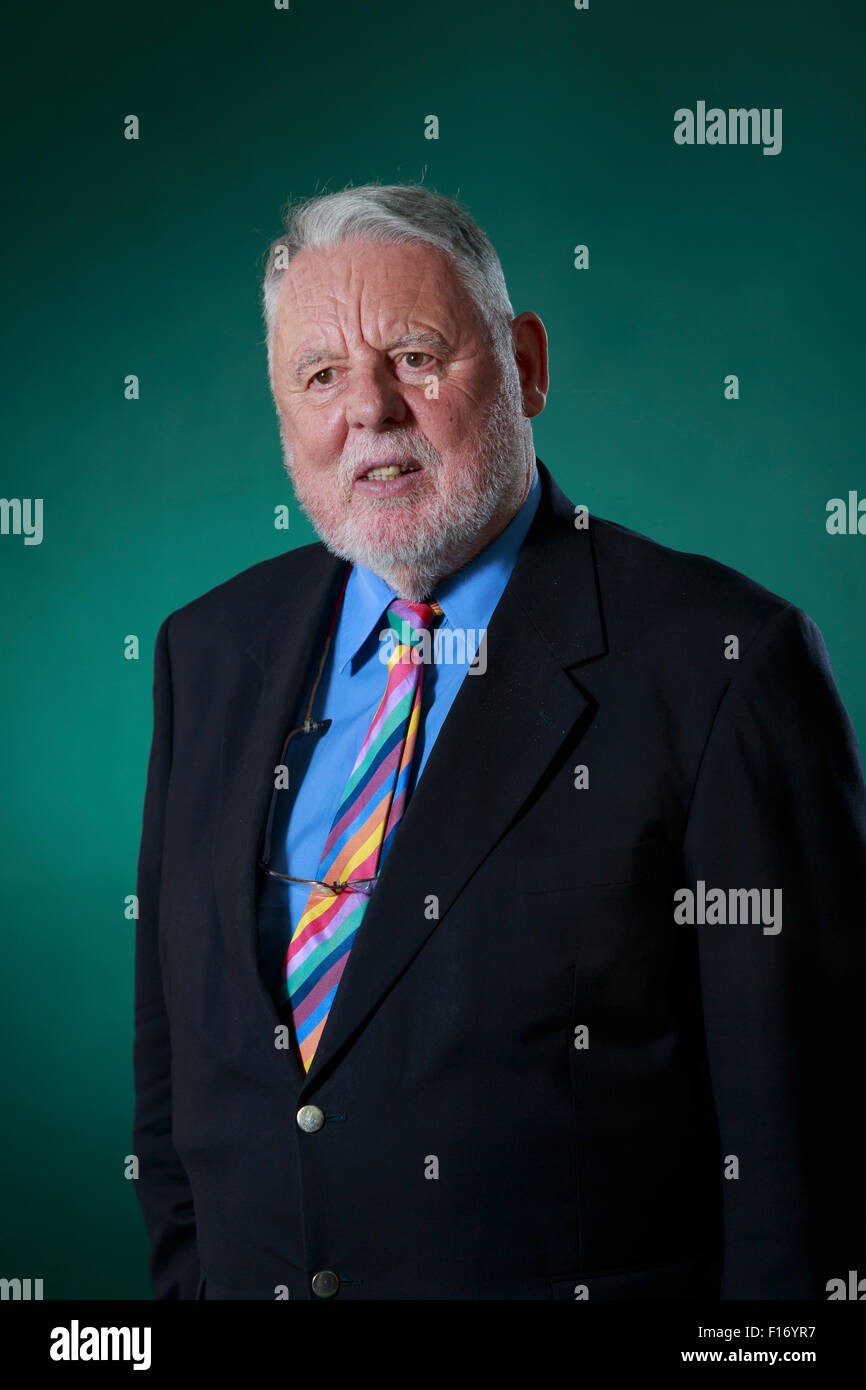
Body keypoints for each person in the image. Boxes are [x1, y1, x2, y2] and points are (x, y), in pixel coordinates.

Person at [132, 182, 866, 1301]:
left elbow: (807, 1168)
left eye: (415, 357)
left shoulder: (725, 665)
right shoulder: (206, 653)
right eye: (320, 375)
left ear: (524, 364)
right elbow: (174, 1085)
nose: (370, 410)